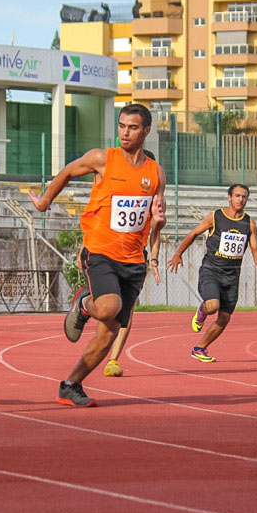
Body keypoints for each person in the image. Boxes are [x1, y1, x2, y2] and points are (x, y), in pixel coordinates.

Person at [29, 103, 166, 406]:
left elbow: (156, 216)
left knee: (109, 333)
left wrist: (160, 223)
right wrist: (45, 202)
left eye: (132, 127)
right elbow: (67, 172)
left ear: (146, 131)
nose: (125, 132)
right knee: (107, 307)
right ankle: (84, 302)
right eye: (121, 125)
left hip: (133, 259)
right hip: (101, 250)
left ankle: (71, 384)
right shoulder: (103, 159)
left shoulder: (155, 173)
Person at [167, 184, 257, 362]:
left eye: (244, 197)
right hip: (211, 270)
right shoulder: (215, 217)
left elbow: (254, 248)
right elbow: (193, 234)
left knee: (225, 317)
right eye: (237, 196)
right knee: (213, 306)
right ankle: (202, 310)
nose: (240, 199)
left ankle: (200, 348)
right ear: (229, 197)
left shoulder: (249, 223)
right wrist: (178, 254)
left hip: (232, 276)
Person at [104, 196, 166, 377]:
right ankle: (85, 306)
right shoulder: (115, 189)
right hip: (108, 254)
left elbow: (156, 231)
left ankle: (113, 360)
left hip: (136, 258)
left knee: (127, 308)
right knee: (106, 305)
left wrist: (154, 259)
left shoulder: (154, 197)